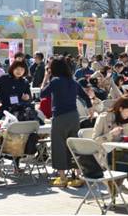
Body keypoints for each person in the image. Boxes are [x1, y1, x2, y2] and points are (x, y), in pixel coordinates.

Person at [40, 56, 93, 187]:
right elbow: (86, 97)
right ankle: (77, 177)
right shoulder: (73, 81)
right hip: (74, 116)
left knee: (59, 146)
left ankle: (63, 178)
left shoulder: (55, 81)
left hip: (59, 117)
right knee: (74, 145)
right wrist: (90, 110)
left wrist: (46, 77)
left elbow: (42, 94)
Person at [92, 96, 128, 190]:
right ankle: (114, 185)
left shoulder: (126, 120)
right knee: (125, 158)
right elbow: (95, 140)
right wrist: (110, 134)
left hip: (120, 151)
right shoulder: (104, 117)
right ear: (121, 108)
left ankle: (116, 184)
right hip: (105, 153)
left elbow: (123, 139)